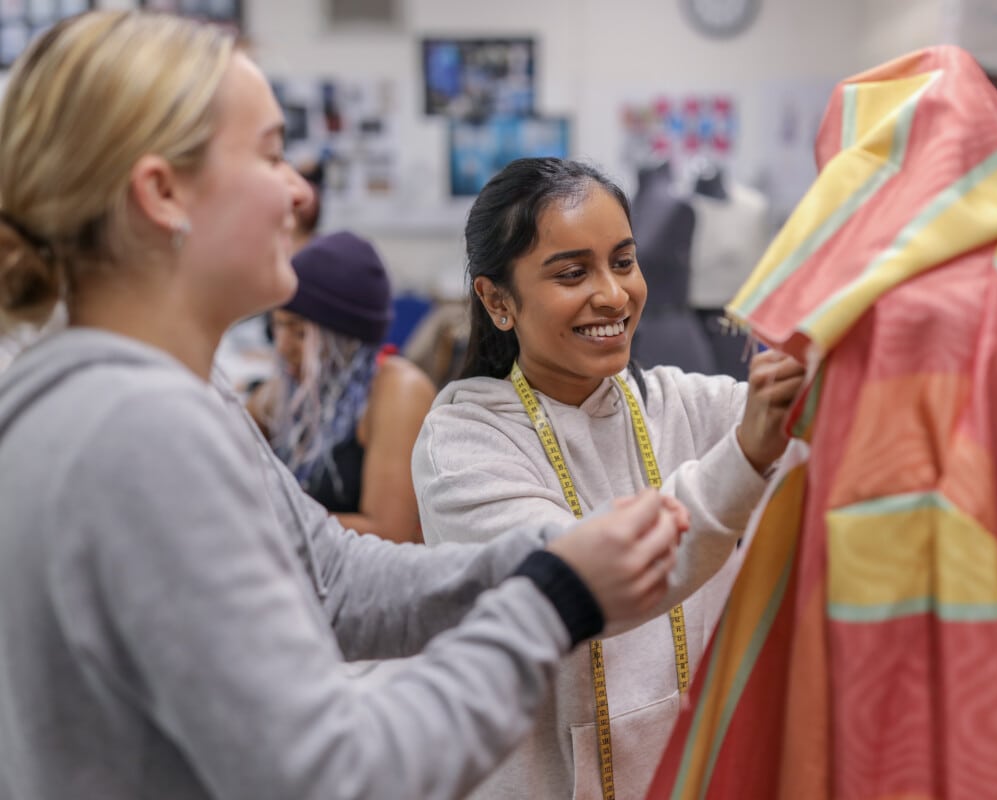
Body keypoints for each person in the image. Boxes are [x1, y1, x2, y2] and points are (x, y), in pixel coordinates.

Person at [0, 12, 692, 800]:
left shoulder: (180, 390)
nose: (299, 191)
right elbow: (336, 772)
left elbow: (330, 582)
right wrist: (556, 598)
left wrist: (540, 556)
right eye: (269, 155)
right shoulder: (133, 428)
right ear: (162, 194)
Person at [412, 157, 807, 799]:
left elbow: (809, 430)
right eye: (573, 273)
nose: (613, 294)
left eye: (623, 262)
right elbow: (589, 580)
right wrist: (745, 459)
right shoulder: (461, 447)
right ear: (497, 301)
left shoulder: (673, 402)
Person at [248, 231, 435, 542]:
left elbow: (389, 534)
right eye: (278, 326)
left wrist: (261, 518)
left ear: (346, 340)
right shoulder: (287, 393)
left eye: (301, 333)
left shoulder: (398, 390)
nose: (282, 348)